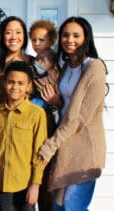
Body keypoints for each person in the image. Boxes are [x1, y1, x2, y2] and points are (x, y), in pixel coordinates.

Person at [38, 16, 107, 211]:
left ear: (86, 38)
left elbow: (80, 117)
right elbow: (67, 106)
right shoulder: (68, 65)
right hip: (66, 145)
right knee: (58, 206)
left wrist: (50, 146)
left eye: (76, 35)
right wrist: (56, 102)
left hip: (84, 147)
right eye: (66, 35)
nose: (70, 39)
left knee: (72, 206)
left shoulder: (94, 67)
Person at [0, 61, 47, 211]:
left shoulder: (37, 114)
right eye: (11, 82)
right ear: (4, 83)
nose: (15, 87)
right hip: (3, 182)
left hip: (25, 182)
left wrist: (35, 184)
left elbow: (39, 153)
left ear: (28, 86)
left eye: (20, 83)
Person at [29, 19, 59, 211]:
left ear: (51, 41)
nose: (37, 43)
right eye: (33, 40)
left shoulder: (45, 58)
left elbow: (30, 74)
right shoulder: (46, 57)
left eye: (42, 39)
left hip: (43, 104)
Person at [0, 16, 34, 103]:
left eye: (18, 32)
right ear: (2, 36)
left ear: (24, 36)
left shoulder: (34, 63)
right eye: (8, 33)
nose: (14, 37)